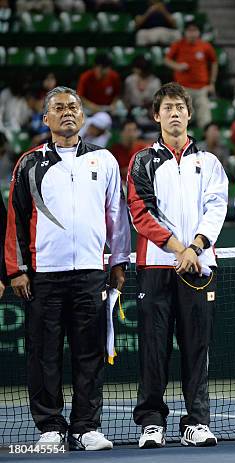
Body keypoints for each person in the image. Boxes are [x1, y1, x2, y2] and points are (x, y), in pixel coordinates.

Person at [4, 86, 130, 450]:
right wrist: (16, 269)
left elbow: (116, 216)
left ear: (83, 114)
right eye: (58, 108)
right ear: (46, 118)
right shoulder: (29, 163)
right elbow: (16, 219)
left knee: (89, 352)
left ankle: (86, 427)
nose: (68, 112)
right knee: (43, 353)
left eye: (73, 107)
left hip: (92, 272)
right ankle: (51, 428)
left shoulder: (103, 160)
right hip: (44, 275)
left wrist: (119, 260)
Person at [128, 82, 228, 449]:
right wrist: (178, 249)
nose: (174, 112)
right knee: (153, 348)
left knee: (196, 347)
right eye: (167, 107)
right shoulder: (142, 160)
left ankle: (196, 422)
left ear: (189, 113)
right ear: (156, 115)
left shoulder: (211, 163)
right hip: (156, 267)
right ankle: (152, 422)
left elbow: (217, 208)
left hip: (198, 268)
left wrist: (196, 248)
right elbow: (141, 213)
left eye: (180, 107)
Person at [165, 21, 218, 127]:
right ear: (185, 32)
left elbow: (214, 62)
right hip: (183, 89)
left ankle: (205, 137)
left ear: (199, 32)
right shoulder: (178, 45)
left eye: (195, 30)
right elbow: (167, 60)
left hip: (201, 89)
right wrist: (178, 66)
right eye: (189, 30)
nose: (192, 33)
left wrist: (212, 82)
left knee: (205, 115)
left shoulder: (205, 46)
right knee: (181, 117)